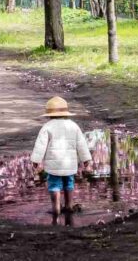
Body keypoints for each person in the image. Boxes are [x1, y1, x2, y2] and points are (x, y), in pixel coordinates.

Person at [31, 96, 92, 226]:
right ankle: (69, 206)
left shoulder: (47, 127)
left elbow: (40, 145)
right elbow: (81, 144)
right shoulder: (73, 126)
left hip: (53, 165)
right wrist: (86, 160)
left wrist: (36, 161)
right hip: (69, 163)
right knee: (69, 183)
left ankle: (56, 209)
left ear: (49, 114)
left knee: (54, 185)